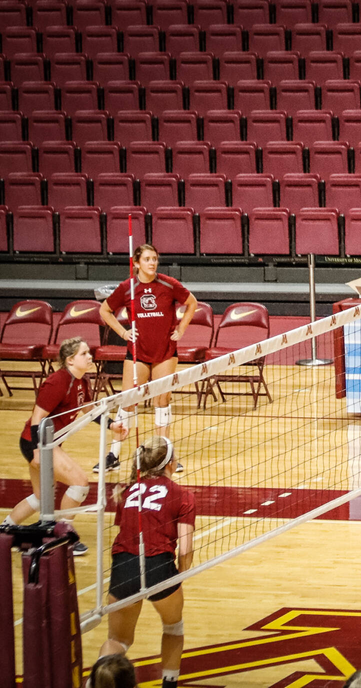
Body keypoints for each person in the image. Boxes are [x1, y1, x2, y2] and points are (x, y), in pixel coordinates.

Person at [5, 337, 126, 555]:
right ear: (70, 360)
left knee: (41, 497)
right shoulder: (57, 381)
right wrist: (37, 450)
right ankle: (60, 534)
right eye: (84, 353)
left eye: (89, 352)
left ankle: (4, 529)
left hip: (47, 442)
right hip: (36, 442)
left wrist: (112, 425)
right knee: (79, 483)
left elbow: (89, 411)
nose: (90, 356)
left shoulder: (82, 380)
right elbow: (37, 418)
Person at [98, 436, 195, 688]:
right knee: (173, 627)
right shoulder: (183, 495)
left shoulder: (127, 490)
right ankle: (169, 684)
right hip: (159, 567)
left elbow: (127, 529)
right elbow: (185, 549)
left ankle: (95, 684)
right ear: (171, 464)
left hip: (124, 566)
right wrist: (180, 576)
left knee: (118, 641)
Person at [98, 243, 198, 472]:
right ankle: (113, 455)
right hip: (137, 352)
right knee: (128, 401)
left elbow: (192, 302)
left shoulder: (168, 284)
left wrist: (181, 329)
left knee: (161, 402)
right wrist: (122, 332)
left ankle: (165, 454)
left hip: (164, 352)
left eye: (155, 259)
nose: (152, 263)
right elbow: (104, 310)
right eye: (147, 259)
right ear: (136, 263)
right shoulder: (127, 288)